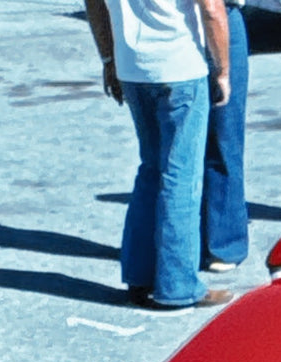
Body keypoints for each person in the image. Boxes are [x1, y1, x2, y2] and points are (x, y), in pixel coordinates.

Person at [84, 0, 233, 310]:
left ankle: (139, 274)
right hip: (180, 64)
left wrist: (109, 57)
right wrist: (223, 71)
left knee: (151, 169)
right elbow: (212, 9)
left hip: (131, 65)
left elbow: (94, 4)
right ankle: (178, 285)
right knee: (181, 176)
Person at [201, 0, 250, 273]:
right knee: (224, 136)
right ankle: (220, 243)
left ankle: (216, 240)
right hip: (210, 18)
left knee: (216, 137)